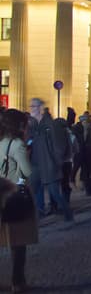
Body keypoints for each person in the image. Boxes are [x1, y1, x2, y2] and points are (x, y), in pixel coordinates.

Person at [0, 109, 38, 293]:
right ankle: (18, 281)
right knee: (18, 243)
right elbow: (27, 172)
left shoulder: (1, 142)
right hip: (15, 197)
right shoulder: (17, 145)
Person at [26, 99, 73, 222]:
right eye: (31, 106)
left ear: (40, 108)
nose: (31, 108)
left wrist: (56, 162)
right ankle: (36, 216)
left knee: (54, 193)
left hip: (48, 163)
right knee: (32, 190)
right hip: (35, 163)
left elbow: (58, 145)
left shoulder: (50, 124)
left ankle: (67, 212)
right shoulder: (32, 125)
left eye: (34, 106)